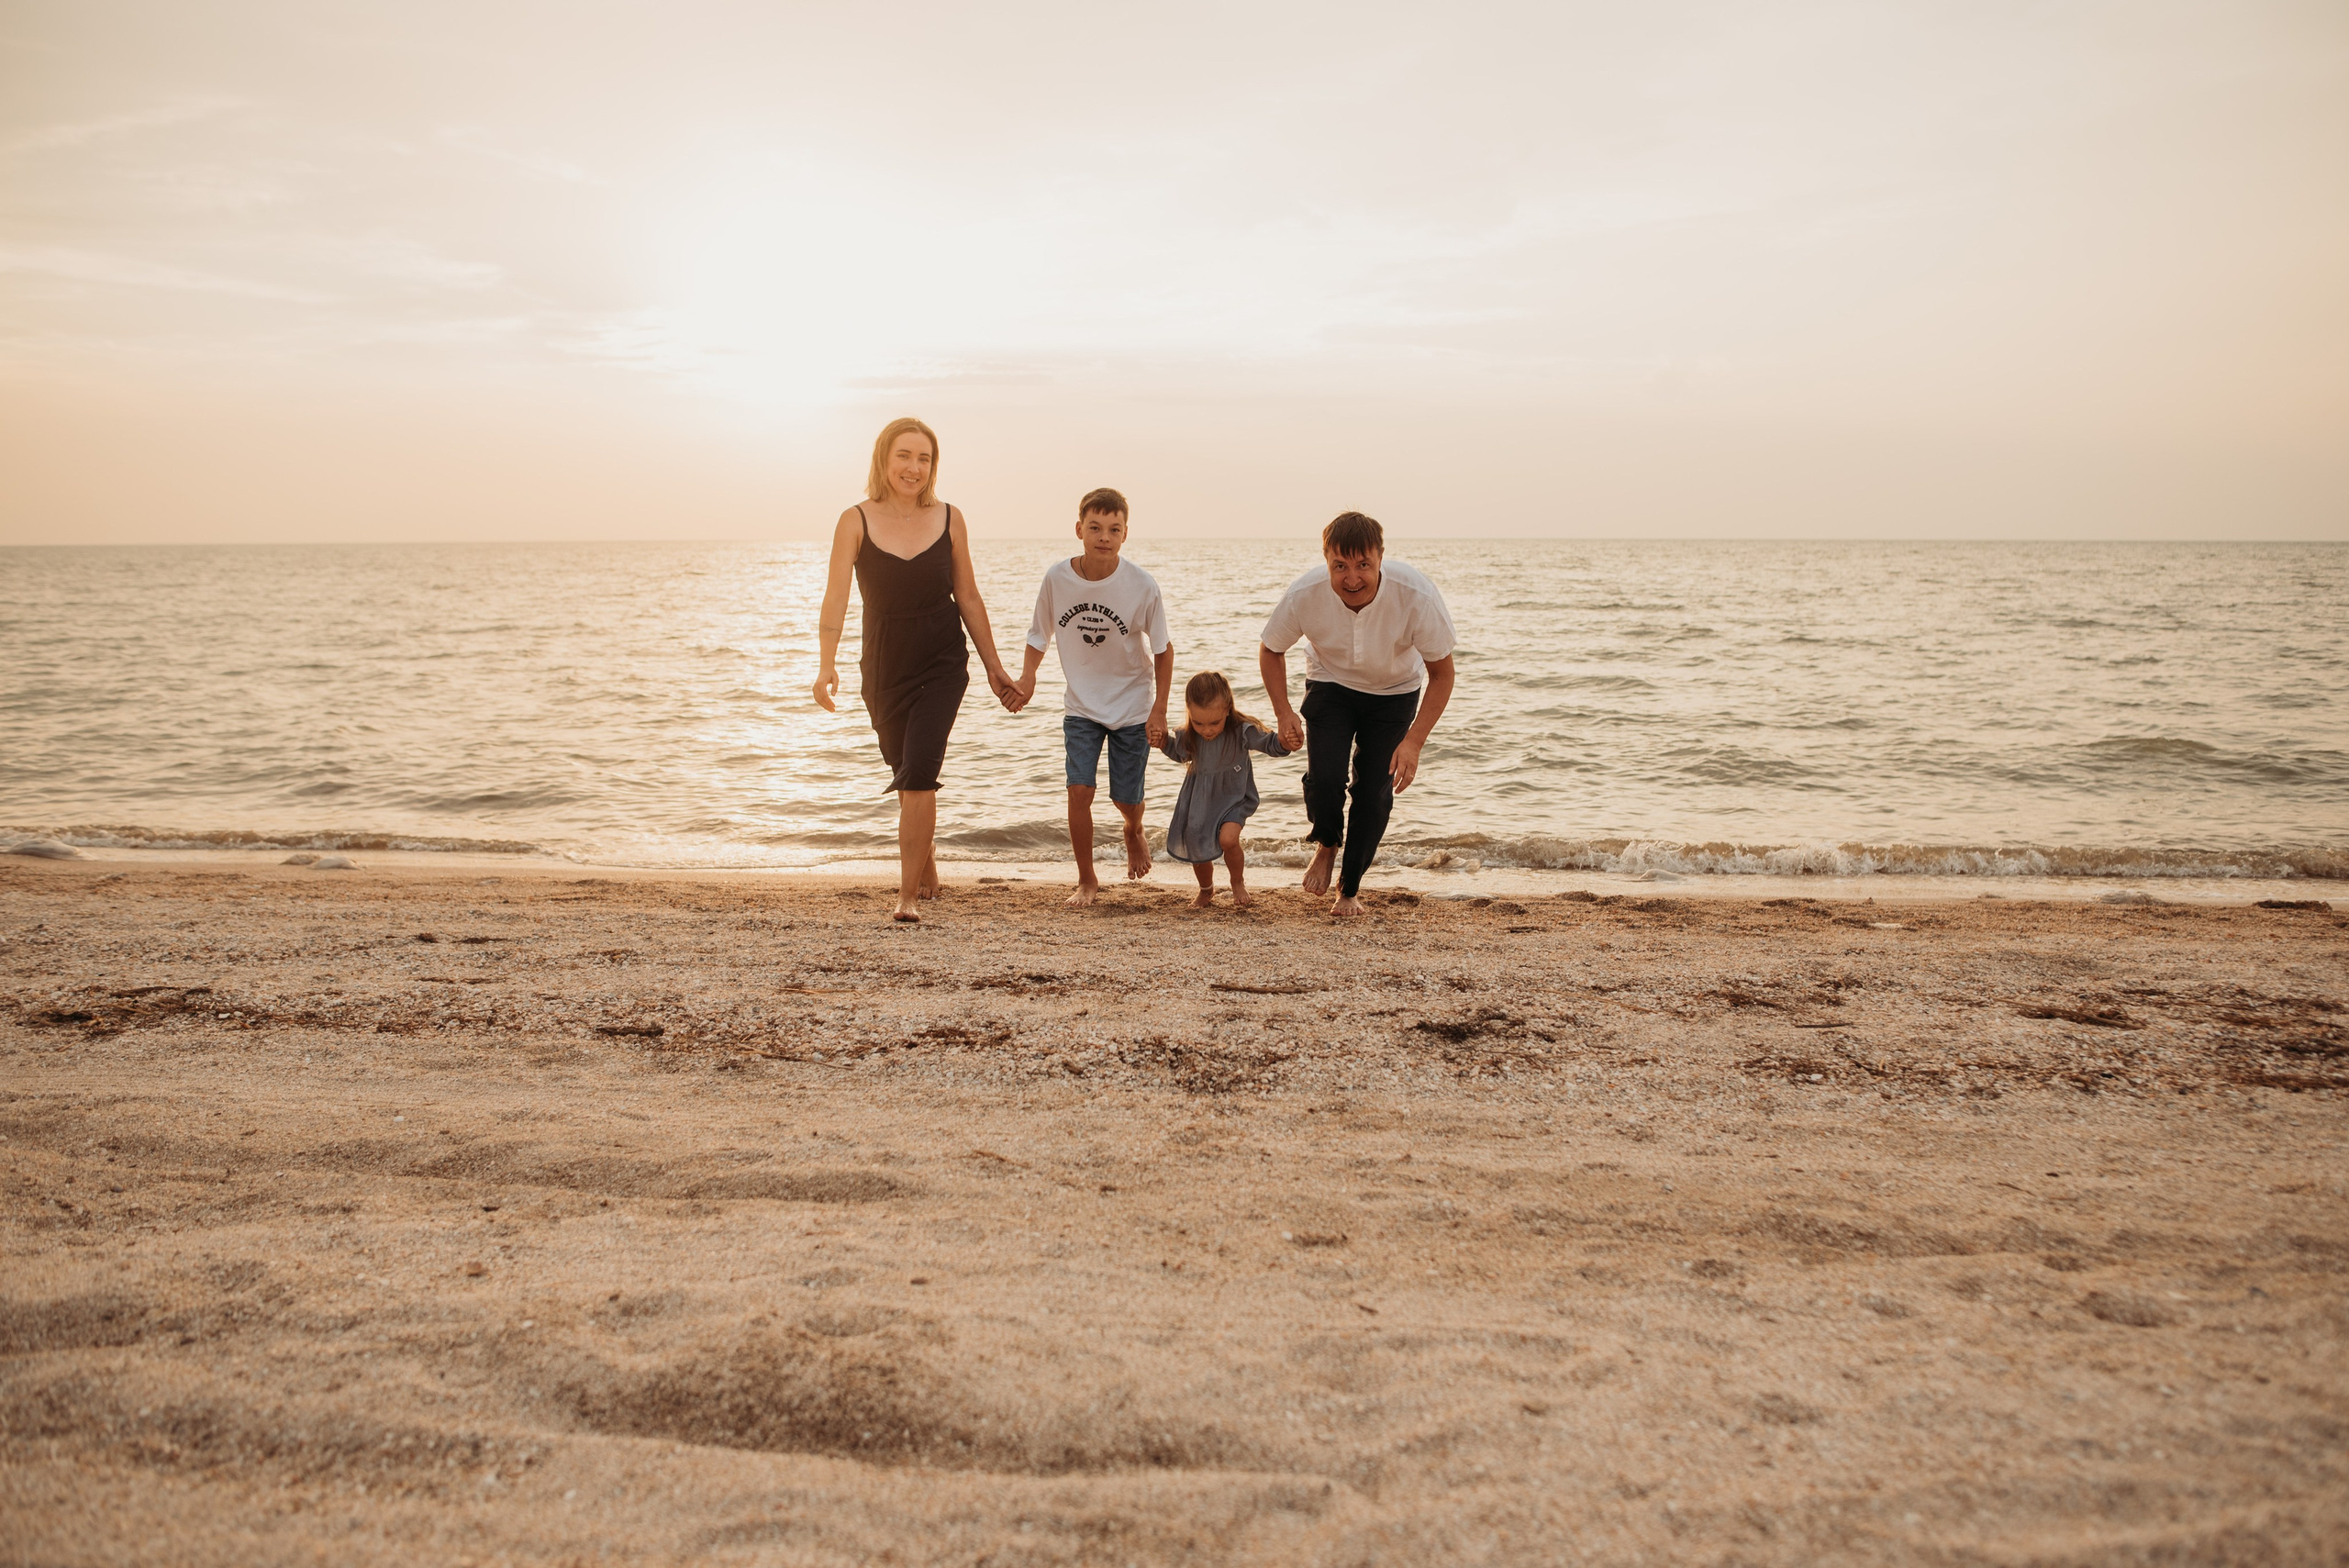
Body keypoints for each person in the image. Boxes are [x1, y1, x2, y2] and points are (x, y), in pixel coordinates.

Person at [812, 417, 1019, 922]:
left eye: (924, 458)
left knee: (921, 768)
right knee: (905, 770)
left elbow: (967, 595)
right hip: (883, 664)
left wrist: (995, 667)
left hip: (942, 660)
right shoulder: (854, 520)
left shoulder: (950, 518)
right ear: (884, 459)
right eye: (904, 455)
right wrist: (825, 666)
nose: (914, 467)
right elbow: (837, 595)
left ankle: (905, 895)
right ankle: (926, 861)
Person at [1258, 511, 1457, 917]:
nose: (1352, 578)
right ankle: (1327, 843)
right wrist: (1283, 712)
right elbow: (1271, 649)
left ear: (1381, 558)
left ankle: (1349, 889)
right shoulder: (1305, 594)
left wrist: (1414, 741)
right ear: (1326, 560)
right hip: (1330, 684)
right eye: (1340, 566)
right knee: (1325, 778)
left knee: (1373, 793)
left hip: (1394, 692)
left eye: (1363, 565)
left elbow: (1442, 673)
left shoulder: (1416, 595)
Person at [1006, 487, 1174, 906]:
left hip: (1132, 704)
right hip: (1081, 705)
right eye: (1095, 527)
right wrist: (1028, 678)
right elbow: (1037, 635)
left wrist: (1159, 708)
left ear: (1125, 534)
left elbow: (1162, 648)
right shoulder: (1056, 579)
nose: (1104, 536)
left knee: (1125, 797)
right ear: (1079, 529)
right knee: (1079, 791)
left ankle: (1133, 830)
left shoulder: (1141, 585)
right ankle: (1087, 878)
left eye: (1114, 529)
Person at [1157, 670, 1292, 908]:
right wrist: (1161, 743)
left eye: (1214, 723)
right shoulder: (1190, 735)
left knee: (1228, 840)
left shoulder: (1241, 730)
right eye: (1198, 722)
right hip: (1200, 801)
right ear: (1189, 712)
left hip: (1234, 799)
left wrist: (1284, 742)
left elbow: (1270, 744)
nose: (1206, 730)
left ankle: (1237, 882)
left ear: (1227, 709)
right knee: (1197, 847)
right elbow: (1178, 753)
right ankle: (1206, 890)